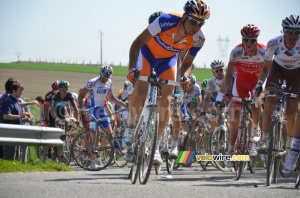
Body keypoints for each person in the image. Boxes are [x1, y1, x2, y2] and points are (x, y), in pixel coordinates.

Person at [123, 0, 210, 164]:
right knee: (140, 92)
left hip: (167, 60)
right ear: (184, 16)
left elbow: (186, 63)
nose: (196, 26)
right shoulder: (166, 21)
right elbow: (136, 44)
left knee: (167, 100)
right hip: (147, 53)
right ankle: (130, 127)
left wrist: (183, 76)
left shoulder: (199, 38)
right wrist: (131, 69)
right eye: (193, 21)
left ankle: (155, 147)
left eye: (201, 23)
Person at [254, 15, 300, 170]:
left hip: (297, 74)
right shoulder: (274, 43)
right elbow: (266, 68)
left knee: (291, 113)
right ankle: (265, 138)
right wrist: (260, 84)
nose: (293, 36)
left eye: (296, 32)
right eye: (289, 31)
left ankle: (289, 146)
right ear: (284, 31)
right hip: (277, 70)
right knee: (269, 102)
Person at [222, 24, 266, 167]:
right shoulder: (236, 51)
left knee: (256, 104)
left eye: (252, 40)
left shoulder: (263, 51)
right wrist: (228, 91)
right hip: (241, 81)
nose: (248, 43)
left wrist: (263, 88)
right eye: (245, 40)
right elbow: (229, 76)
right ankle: (230, 151)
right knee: (234, 120)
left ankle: (254, 131)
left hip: (257, 81)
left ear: (256, 40)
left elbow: (268, 71)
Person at [78, 64, 126, 170]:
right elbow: (81, 95)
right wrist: (81, 108)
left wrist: (122, 103)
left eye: (107, 78)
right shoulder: (93, 82)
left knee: (109, 133)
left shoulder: (109, 83)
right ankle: (92, 162)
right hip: (92, 109)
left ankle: (98, 155)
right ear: (100, 73)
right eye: (103, 77)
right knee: (95, 135)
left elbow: (111, 97)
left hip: (101, 109)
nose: (104, 80)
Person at [2, 82, 30, 160]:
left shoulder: (15, 101)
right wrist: (20, 116)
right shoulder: (9, 101)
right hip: (10, 134)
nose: (22, 92)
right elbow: (6, 116)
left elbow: (16, 117)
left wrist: (23, 119)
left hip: (15, 134)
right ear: (13, 90)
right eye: (20, 90)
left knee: (15, 156)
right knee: (9, 156)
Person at [202, 60, 225, 131]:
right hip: (214, 100)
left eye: (221, 70)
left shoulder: (228, 78)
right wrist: (204, 111)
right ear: (213, 72)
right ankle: (212, 134)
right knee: (213, 114)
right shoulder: (211, 82)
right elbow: (207, 98)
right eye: (216, 71)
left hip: (225, 99)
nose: (219, 72)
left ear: (223, 69)